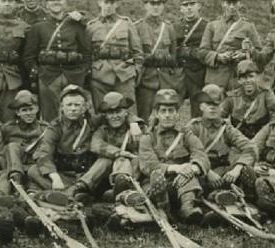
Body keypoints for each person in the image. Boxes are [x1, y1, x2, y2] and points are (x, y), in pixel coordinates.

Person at [138, 88, 209, 224]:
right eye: (163, 111)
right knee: (156, 179)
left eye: (171, 111)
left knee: (189, 175)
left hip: (181, 185)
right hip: (157, 185)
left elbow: (200, 154)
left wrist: (192, 168)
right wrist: (176, 168)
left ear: (177, 114)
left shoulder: (186, 134)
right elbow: (148, 165)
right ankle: (164, 208)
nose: (167, 115)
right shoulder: (148, 137)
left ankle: (188, 209)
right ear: (157, 114)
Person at [29, 85, 110, 201]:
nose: (73, 109)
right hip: (65, 175)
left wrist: (133, 121)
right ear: (62, 107)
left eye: (77, 105)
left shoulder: (92, 121)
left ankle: (72, 191)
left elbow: (114, 115)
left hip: (89, 175)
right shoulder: (55, 127)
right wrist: (55, 177)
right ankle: (73, 193)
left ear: (84, 107)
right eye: (69, 105)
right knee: (33, 170)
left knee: (105, 161)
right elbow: (44, 152)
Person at [22, 0, 92, 121]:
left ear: (65, 3)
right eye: (52, 0)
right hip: (48, 76)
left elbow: (86, 52)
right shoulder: (38, 27)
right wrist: (38, 73)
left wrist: (82, 72)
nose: (56, 3)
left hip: (74, 75)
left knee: (75, 112)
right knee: (50, 116)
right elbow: (29, 56)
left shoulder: (76, 25)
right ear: (46, 4)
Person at [186, 84, 257, 194]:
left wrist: (237, 169)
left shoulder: (226, 128)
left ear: (221, 107)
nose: (212, 107)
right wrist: (206, 171)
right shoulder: (193, 127)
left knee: (247, 171)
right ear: (201, 106)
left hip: (223, 173)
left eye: (216, 104)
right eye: (208, 104)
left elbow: (250, 148)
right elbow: (185, 154)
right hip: (201, 172)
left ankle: (248, 199)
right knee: (190, 176)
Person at [87, 0, 143, 116]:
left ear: (117, 4)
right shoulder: (91, 26)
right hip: (99, 76)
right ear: (99, 2)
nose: (108, 6)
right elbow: (87, 53)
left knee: (129, 113)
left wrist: (135, 71)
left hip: (124, 76)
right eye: (105, 2)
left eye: (112, 3)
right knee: (102, 113)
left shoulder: (126, 24)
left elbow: (138, 52)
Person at [198, 0, 262, 91]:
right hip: (215, 79)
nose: (232, 7)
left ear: (240, 4)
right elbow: (201, 53)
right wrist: (218, 56)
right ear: (223, 4)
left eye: (235, 3)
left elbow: (259, 53)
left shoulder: (248, 26)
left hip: (239, 79)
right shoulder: (212, 25)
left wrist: (244, 54)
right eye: (228, 3)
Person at [134, 0, 184, 120]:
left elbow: (173, 55)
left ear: (163, 6)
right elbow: (134, 55)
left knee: (166, 118)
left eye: (159, 4)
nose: (156, 7)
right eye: (152, 3)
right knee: (144, 117)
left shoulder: (168, 27)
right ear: (145, 5)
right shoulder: (137, 27)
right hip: (146, 81)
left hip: (165, 81)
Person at [90, 92, 146, 201]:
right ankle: (83, 188)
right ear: (106, 115)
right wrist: (119, 152)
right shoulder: (103, 129)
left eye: (118, 111)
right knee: (104, 160)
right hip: (106, 175)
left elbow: (145, 145)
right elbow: (95, 144)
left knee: (133, 160)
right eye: (111, 113)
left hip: (133, 173)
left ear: (126, 112)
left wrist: (134, 123)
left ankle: (122, 187)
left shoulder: (137, 127)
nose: (115, 116)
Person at [0, 90, 48, 195]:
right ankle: (16, 184)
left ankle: (32, 193)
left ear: (37, 109)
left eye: (31, 109)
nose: (28, 113)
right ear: (17, 112)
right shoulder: (7, 129)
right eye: (24, 110)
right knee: (12, 146)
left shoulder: (45, 129)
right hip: (13, 169)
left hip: (35, 168)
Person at [220, 60, 275, 139]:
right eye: (243, 78)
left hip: (262, 137)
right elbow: (219, 116)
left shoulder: (266, 94)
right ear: (239, 80)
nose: (248, 81)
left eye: (251, 76)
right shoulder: (232, 97)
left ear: (257, 77)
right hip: (238, 138)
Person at [176, 0, 208, 118]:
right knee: (169, 105)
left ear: (199, 6)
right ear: (180, 9)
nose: (189, 8)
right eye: (185, 5)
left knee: (198, 112)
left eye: (192, 4)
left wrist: (187, 51)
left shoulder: (207, 26)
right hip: (179, 74)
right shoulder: (175, 26)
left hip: (198, 75)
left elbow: (207, 52)